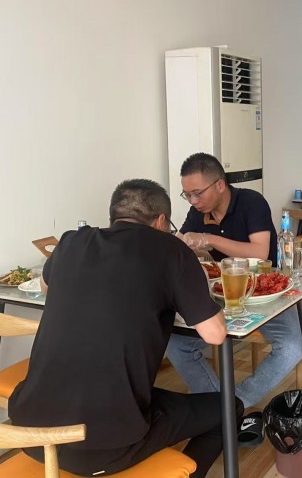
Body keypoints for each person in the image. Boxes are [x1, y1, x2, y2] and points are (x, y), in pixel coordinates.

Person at [9, 179, 238, 478]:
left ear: (113, 217)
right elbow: (215, 334)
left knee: (143, 394)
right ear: (160, 221)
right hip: (100, 450)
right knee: (228, 409)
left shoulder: (71, 242)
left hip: (28, 432)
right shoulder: (171, 250)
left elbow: (45, 286)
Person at [166, 153, 302, 411]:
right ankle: (217, 407)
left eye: (197, 193)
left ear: (219, 185)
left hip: (263, 291)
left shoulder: (251, 202)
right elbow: (180, 245)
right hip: (220, 293)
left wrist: (208, 239)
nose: (193, 201)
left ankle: (236, 402)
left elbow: (260, 253)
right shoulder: (198, 211)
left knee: (292, 347)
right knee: (176, 345)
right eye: (188, 195)